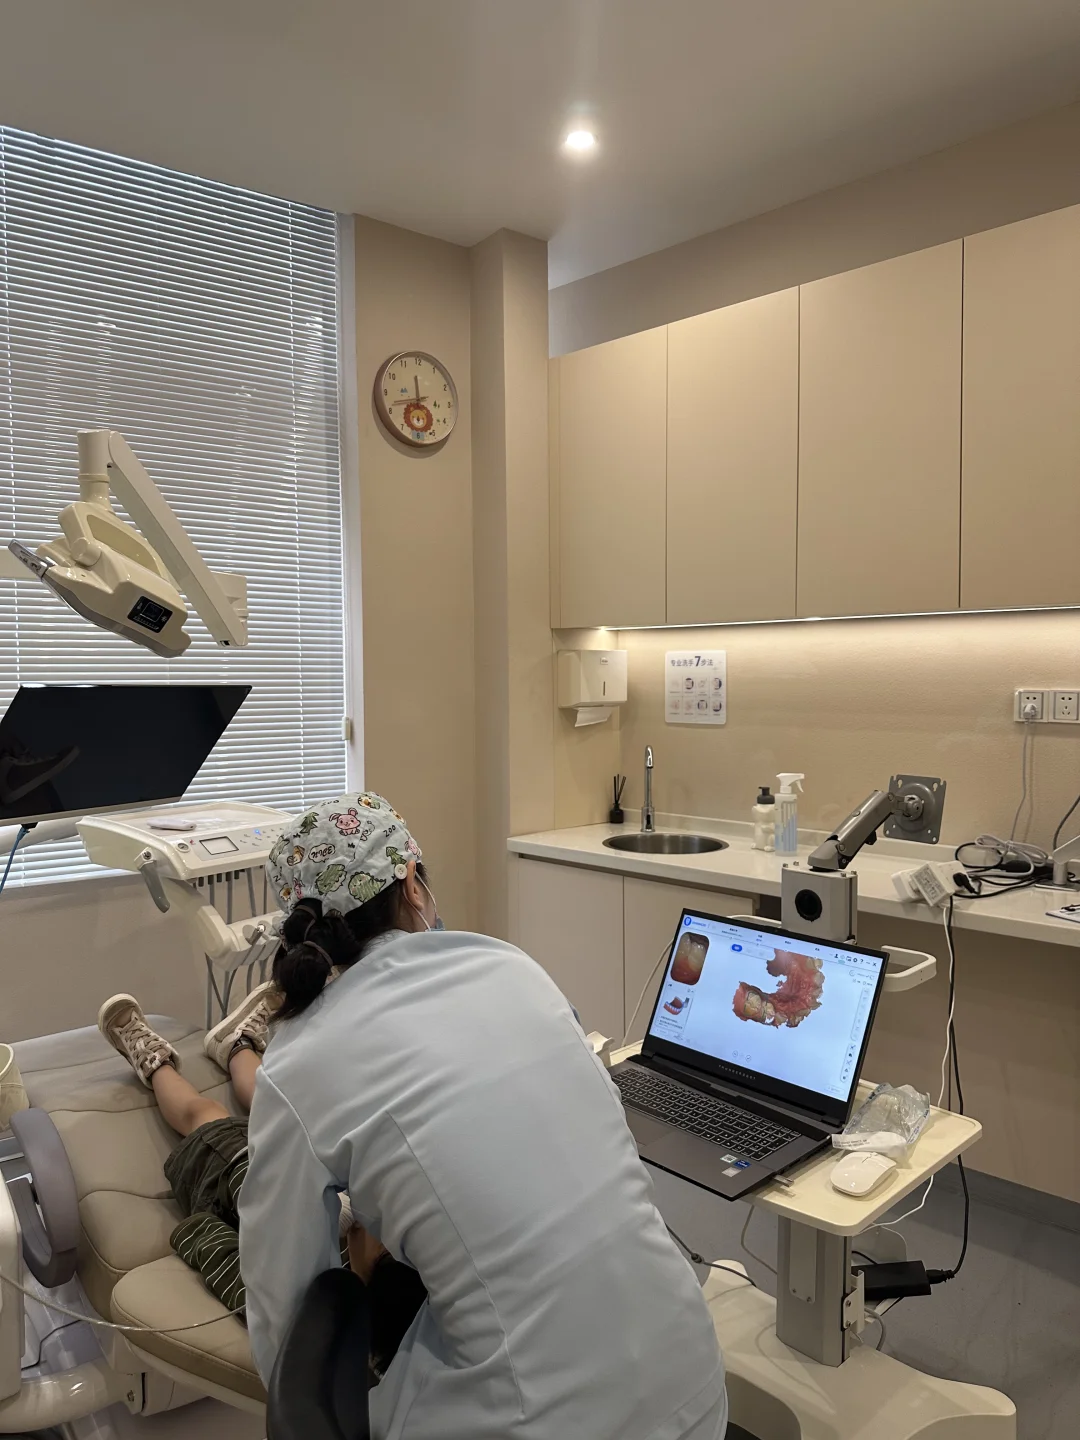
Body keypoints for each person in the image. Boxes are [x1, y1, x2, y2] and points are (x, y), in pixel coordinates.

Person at [240, 792, 727, 1440]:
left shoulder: (299, 1062)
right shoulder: (511, 965)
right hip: (694, 1382)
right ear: (412, 884)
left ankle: (228, 1048)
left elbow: (283, 1305)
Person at [96, 984, 428, 1376]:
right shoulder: (393, 1288)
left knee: (202, 1113)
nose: (373, 1219)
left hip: (228, 1172)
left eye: (374, 1232)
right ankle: (237, 1044)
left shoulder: (290, 1300)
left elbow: (198, 1233)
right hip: (300, 1155)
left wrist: (301, 1217)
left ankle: (153, 1062)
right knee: (280, 1103)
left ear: (367, 1274)